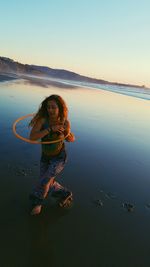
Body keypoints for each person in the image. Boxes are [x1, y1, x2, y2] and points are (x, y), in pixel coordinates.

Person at [29, 94, 75, 215]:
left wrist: (67, 134)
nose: (50, 110)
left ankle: (38, 204)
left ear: (59, 108)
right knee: (46, 180)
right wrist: (50, 129)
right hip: (45, 156)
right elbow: (32, 137)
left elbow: (71, 138)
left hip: (59, 157)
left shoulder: (64, 122)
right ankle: (65, 193)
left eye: (53, 107)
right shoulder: (43, 121)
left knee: (45, 181)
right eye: (48, 107)